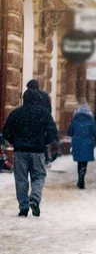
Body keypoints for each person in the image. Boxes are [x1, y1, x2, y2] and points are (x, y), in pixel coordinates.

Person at [2, 89, 57, 217]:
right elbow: (52, 131)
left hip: (21, 151)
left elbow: (6, 131)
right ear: (37, 100)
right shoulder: (44, 113)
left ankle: (23, 206)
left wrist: (15, 142)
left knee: (21, 179)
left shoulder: (16, 113)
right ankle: (35, 198)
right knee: (38, 176)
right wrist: (44, 142)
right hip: (37, 151)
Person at [68, 104, 96, 189]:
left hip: (77, 143)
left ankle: (80, 178)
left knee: (79, 162)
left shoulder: (75, 119)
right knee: (84, 163)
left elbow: (69, 132)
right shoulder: (91, 120)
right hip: (87, 143)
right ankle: (81, 179)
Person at [26, 79, 56, 164]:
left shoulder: (28, 95)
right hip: (42, 121)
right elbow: (49, 109)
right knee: (42, 139)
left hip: (31, 121)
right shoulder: (44, 95)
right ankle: (45, 157)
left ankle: (35, 158)